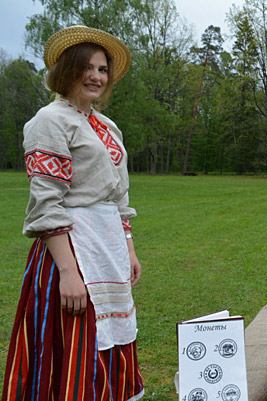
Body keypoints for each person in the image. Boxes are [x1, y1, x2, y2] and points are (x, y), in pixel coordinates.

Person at [2, 26, 144, 400]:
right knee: (75, 340)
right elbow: (46, 202)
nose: (96, 76)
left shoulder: (107, 126)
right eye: (87, 67)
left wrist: (128, 249)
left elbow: (119, 196)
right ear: (67, 71)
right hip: (71, 250)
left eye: (102, 69)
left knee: (111, 335)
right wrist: (67, 272)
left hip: (108, 246)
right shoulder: (50, 120)